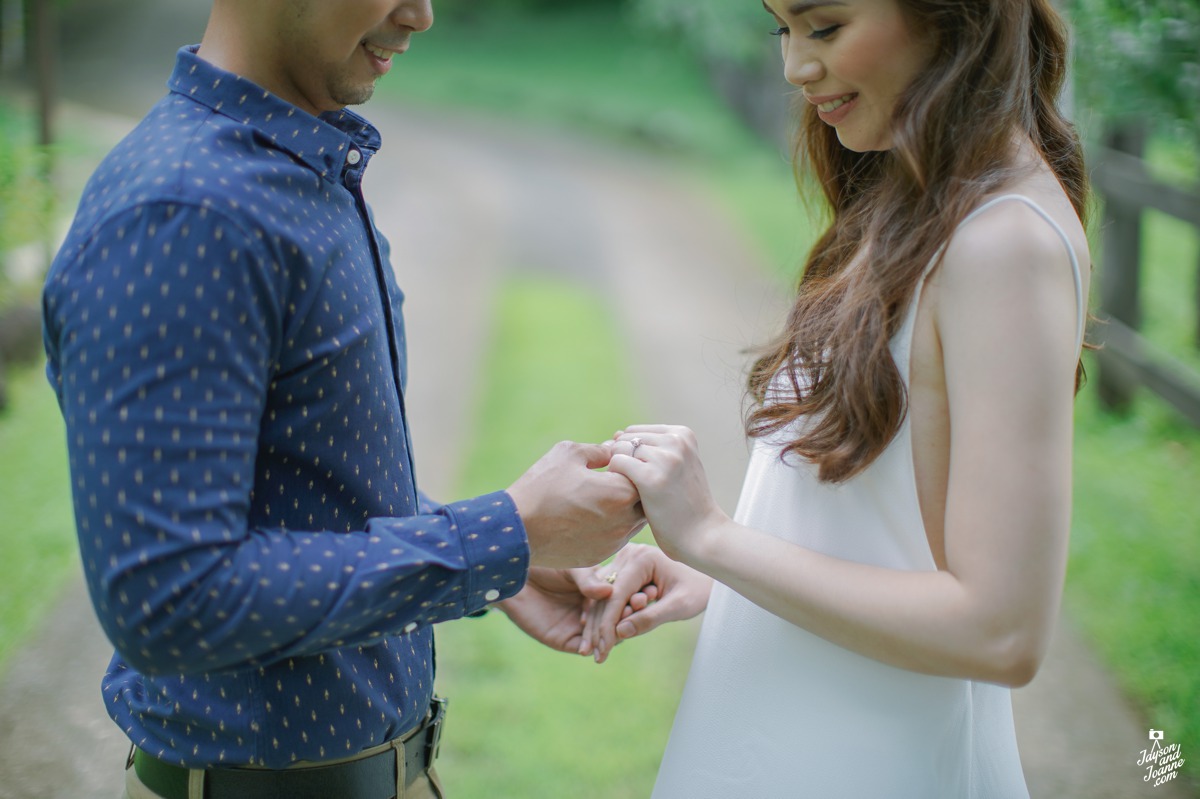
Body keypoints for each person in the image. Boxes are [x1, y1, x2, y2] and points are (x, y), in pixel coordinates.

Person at [41, 2, 642, 797]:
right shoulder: (187, 209)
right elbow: (169, 596)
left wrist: (509, 563)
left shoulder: (297, 169)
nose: (420, 14)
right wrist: (500, 533)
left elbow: (302, 481)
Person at [584, 0, 1091, 795]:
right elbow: (886, 533)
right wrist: (728, 580)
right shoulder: (920, 195)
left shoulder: (1004, 244)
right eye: (781, 28)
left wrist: (712, 539)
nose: (795, 66)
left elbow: (1001, 631)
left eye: (823, 27)